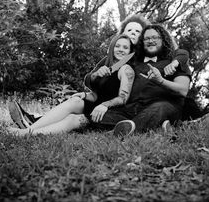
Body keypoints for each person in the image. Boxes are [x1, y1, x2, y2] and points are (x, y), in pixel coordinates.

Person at [9, 14, 190, 129]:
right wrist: (93, 83)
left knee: (160, 108)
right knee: (76, 103)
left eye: (138, 31)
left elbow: (180, 52)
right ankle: (33, 121)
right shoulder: (119, 56)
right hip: (107, 101)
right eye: (129, 30)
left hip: (123, 104)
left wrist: (176, 62)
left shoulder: (152, 58)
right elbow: (90, 79)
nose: (134, 33)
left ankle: (33, 123)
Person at [7, 34, 135, 135]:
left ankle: (26, 133)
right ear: (112, 47)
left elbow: (123, 98)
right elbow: (99, 95)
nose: (121, 50)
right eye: (118, 46)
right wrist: (85, 95)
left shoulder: (126, 69)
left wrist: (104, 105)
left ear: (130, 51)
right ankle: (30, 128)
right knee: (74, 101)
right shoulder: (107, 66)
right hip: (97, 104)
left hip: (110, 112)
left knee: (73, 118)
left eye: (125, 47)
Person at [89, 23, 192, 136]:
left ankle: (121, 131)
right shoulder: (134, 62)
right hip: (132, 110)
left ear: (163, 40)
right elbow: (109, 66)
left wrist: (161, 81)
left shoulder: (173, 61)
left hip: (163, 106)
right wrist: (98, 76)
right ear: (142, 42)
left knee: (159, 109)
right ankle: (156, 126)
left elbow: (183, 90)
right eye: (146, 38)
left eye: (154, 37)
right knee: (98, 116)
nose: (150, 41)